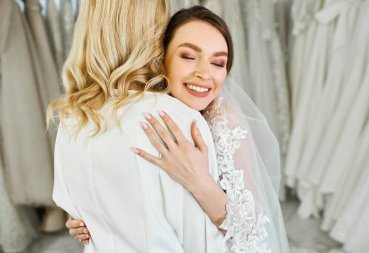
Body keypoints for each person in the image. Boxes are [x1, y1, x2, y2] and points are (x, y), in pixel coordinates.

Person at [64, 4, 289, 253]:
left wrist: (199, 181)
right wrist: (90, 219)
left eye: (218, 63)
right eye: (189, 57)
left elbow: (253, 232)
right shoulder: (145, 112)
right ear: (161, 58)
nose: (204, 73)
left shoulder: (225, 122)